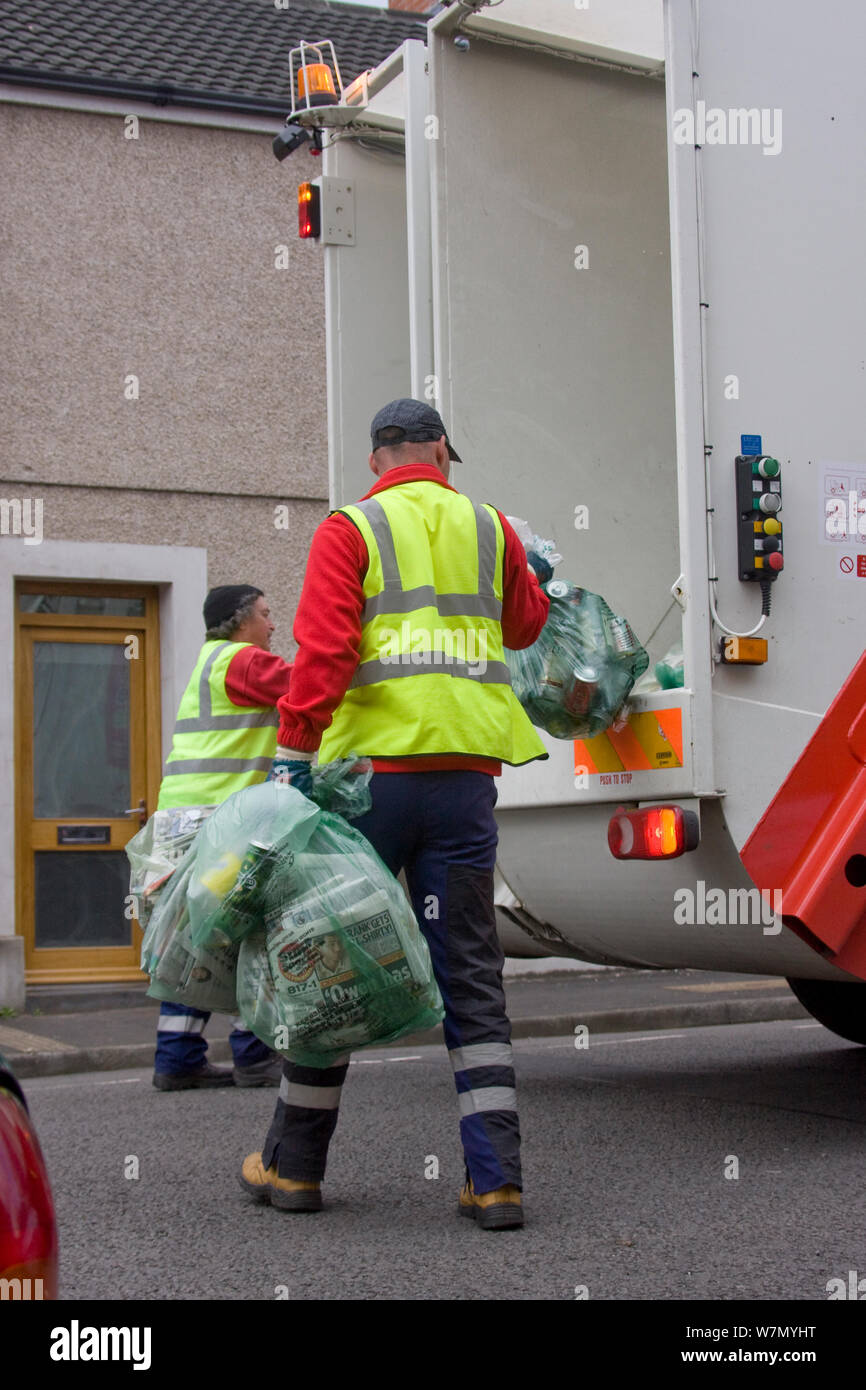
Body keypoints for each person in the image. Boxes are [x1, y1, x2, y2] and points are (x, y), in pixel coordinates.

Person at [240, 399, 550, 1228]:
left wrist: (295, 756)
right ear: (444, 449)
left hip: (368, 786)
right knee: (471, 975)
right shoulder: (491, 528)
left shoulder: (352, 527)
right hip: (462, 787)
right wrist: (533, 575)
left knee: (333, 959)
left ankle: (295, 1170)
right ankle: (497, 1180)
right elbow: (525, 626)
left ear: (376, 458)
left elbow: (328, 649)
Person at [152, 585, 294, 1091]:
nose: (273, 625)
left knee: (196, 940)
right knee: (255, 928)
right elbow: (306, 687)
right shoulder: (242, 662)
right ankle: (254, 1053)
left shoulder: (210, 662)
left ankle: (177, 1056)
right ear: (239, 622)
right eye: (266, 612)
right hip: (218, 822)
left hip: (182, 819)